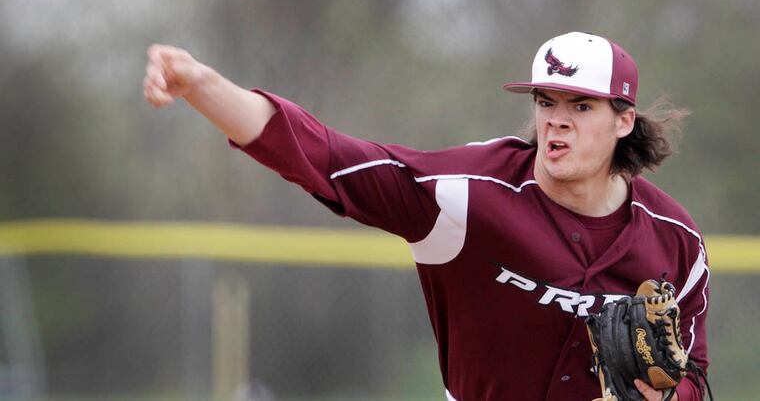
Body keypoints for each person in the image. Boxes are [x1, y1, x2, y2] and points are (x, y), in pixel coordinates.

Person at [143, 32, 710, 401]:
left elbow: (695, 371)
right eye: (545, 102)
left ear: (624, 120)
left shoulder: (675, 242)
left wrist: (666, 396)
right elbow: (322, 156)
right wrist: (201, 86)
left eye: (580, 106)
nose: (556, 121)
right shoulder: (466, 197)